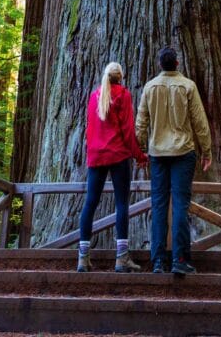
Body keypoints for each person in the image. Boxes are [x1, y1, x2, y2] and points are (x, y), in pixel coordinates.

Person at [135, 46, 212, 275]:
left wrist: (141, 151)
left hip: (157, 154)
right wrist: (206, 151)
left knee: (158, 206)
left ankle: (158, 261)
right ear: (177, 63)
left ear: (161, 64)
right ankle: (179, 259)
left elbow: (141, 123)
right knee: (180, 205)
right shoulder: (188, 86)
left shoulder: (150, 87)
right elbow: (199, 121)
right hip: (183, 153)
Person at [78, 61, 148, 273]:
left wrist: (91, 153)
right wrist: (139, 155)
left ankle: (82, 257)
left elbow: (89, 129)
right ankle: (121, 257)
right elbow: (127, 130)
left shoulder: (94, 96)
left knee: (90, 203)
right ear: (121, 77)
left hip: (97, 156)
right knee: (121, 204)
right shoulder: (123, 95)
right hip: (118, 155)